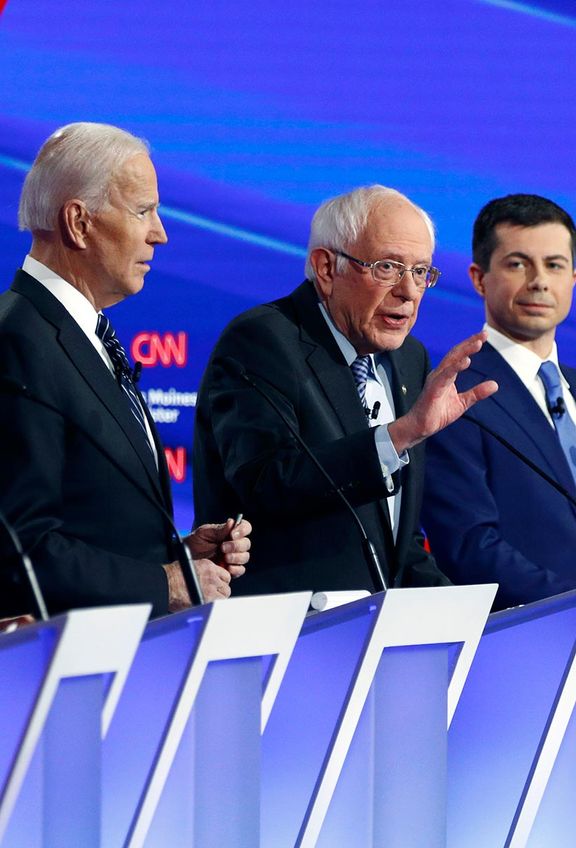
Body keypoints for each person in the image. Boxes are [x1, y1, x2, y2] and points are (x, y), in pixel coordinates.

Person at [192, 185, 496, 597]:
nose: (408, 291)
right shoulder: (264, 341)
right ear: (326, 268)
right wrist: (400, 435)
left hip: (372, 634)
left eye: (421, 272)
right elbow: (264, 483)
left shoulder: (409, 359)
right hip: (290, 631)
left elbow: (393, 541)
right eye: (388, 267)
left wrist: (468, 616)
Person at [0, 122, 251, 619]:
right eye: (143, 211)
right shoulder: (18, 340)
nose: (160, 234)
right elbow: (19, 551)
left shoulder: (76, 331)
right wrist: (164, 582)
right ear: (79, 222)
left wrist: (179, 553)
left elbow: (88, 518)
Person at [422, 193, 576, 611]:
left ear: (573, 278)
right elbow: (470, 546)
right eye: (517, 264)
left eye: (554, 265)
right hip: (528, 641)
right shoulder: (456, 394)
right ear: (478, 277)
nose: (539, 280)